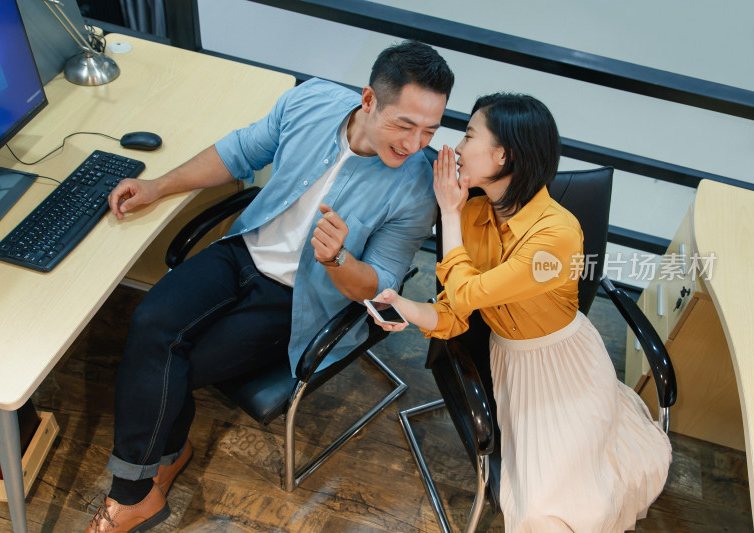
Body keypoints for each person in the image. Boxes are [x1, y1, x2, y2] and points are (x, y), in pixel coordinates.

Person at [84, 41, 454, 533]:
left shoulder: (415, 187)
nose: (414, 143)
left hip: (300, 298)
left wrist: (338, 258)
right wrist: (158, 185)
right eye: (404, 124)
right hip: (242, 251)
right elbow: (238, 152)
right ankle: (156, 470)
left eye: (430, 129)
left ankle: (137, 489)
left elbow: (381, 284)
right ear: (369, 101)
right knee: (150, 320)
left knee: (175, 363)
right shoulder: (311, 102)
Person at [369, 93, 671, 532]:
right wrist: (403, 304)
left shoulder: (557, 234)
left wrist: (448, 214)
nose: (458, 146)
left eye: (469, 135)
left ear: (503, 154)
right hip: (514, 365)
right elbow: (454, 314)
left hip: (567, 364)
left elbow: (469, 293)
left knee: (555, 510)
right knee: (540, 504)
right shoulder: (473, 215)